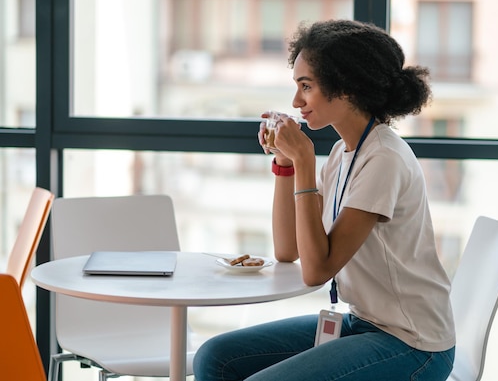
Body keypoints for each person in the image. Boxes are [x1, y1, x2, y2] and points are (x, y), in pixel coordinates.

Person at [193, 19, 455, 381]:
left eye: (306, 87)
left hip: (411, 342)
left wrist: (303, 161)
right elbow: (288, 251)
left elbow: (317, 271)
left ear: (346, 88)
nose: (296, 101)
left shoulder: (384, 159)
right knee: (214, 357)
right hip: (363, 322)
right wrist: (286, 165)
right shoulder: (341, 152)